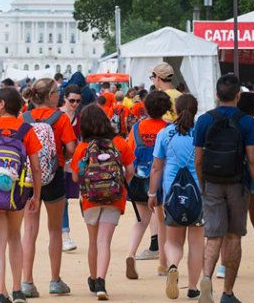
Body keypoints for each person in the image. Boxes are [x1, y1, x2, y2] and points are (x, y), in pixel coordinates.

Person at [194, 73, 254, 303]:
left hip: (212, 183)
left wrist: (204, 182)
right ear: (237, 96)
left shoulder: (204, 120)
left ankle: (206, 277)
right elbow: (253, 159)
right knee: (233, 237)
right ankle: (227, 293)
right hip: (238, 184)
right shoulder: (246, 122)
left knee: (213, 237)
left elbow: (197, 159)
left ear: (216, 95)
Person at [0, 87, 42, 303]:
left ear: (2, 104)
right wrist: (36, 196)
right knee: (15, 238)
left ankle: (0, 291)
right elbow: (36, 167)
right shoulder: (26, 130)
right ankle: (17, 289)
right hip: (18, 192)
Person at [70, 104, 135, 300]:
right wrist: (119, 184)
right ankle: (101, 282)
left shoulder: (83, 147)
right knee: (104, 241)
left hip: (90, 199)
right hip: (114, 198)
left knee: (93, 241)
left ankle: (92, 278)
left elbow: (74, 177)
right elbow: (130, 171)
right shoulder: (119, 143)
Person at [20, 78, 77, 297]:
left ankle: (27, 281)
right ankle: (55, 280)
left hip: (28, 178)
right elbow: (71, 147)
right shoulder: (60, 118)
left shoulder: (23, 117)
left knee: (29, 231)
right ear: (51, 95)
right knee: (54, 230)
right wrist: (62, 158)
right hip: (54, 176)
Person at [215, 92, 254, 279]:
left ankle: (222, 266)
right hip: (251, 179)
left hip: (229, 176)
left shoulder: (227, 125)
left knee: (228, 223)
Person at [148, 93, 203, 300]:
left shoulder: (165, 133)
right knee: (196, 242)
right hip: (197, 192)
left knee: (173, 241)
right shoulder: (201, 132)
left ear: (176, 110)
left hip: (172, 193)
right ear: (196, 110)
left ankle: (172, 265)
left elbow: (156, 167)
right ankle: (192, 286)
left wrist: (152, 193)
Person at [125, 90, 171, 279]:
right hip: (159, 180)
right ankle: (162, 264)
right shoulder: (167, 128)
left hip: (139, 178)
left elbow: (129, 152)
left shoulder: (137, 128)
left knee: (140, 220)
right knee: (161, 222)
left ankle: (130, 253)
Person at [59, 84, 82, 252]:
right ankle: (64, 235)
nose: (74, 104)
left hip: (75, 162)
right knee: (63, 200)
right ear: (65, 98)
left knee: (80, 197)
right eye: (71, 100)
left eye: (77, 101)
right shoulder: (57, 116)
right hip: (59, 162)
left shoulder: (80, 118)